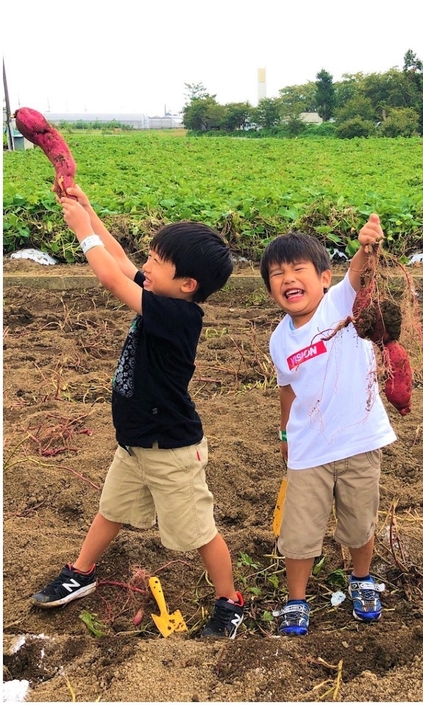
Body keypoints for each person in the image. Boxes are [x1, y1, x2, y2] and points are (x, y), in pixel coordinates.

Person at [32, 185, 243, 639]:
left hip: (171, 449)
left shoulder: (179, 316)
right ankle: (82, 571)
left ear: (187, 285)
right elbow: (123, 264)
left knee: (199, 532)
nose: (144, 266)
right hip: (134, 441)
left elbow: (111, 278)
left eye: (155, 262)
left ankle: (229, 601)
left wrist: (81, 231)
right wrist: (88, 208)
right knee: (111, 508)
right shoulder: (162, 295)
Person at [261, 215, 397, 636]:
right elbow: (288, 390)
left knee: (359, 524)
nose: (288, 279)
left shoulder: (339, 305)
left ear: (323, 277)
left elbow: (360, 272)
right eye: (277, 275)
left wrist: (368, 245)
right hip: (309, 450)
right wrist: (285, 434)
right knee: (299, 533)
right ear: (270, 289)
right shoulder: (279, 340)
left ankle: (361, 579)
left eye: (298, 270)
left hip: (359, 441)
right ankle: (296, 601)